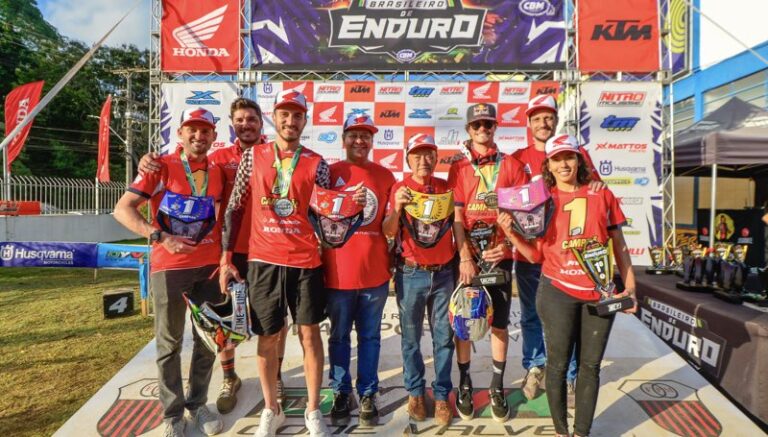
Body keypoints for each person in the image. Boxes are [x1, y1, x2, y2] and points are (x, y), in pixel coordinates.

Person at [138, 98, 291, 414]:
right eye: (240, 120)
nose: (246, 124)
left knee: (275, 317)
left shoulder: (277, 154)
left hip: (269, 249)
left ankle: (275, 376)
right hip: (228, 251)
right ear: (232, 125)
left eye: (252, 119)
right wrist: (148, 160)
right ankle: (229, 377)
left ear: (261, 123)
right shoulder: (217, 160)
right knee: (222, 319)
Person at [221, 90, 353, 436]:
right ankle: (271, 408)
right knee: (268, 337)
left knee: (310, 334)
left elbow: (325, 217)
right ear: (275, 117)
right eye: (284, 114)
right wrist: (225, 257)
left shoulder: (316, 163)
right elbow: (234, 207)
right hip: (263, 259)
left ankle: (312, 410)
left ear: (305, 120)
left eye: (297, 115)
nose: (290, 121)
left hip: (305, 260)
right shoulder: (253, 156)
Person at [499, 134, 637, 437]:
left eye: (569, 157)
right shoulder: (542, 202)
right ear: (548, 164)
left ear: (579, 160)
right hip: (557, 292)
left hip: (599, 294)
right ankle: (562, 431)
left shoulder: (602, 193)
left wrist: (629, 288)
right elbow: (534, 255)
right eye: (557, 159)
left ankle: (581, 432)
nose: (564, 164)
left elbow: (620, 245)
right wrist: (511, 234)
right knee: (558, 366)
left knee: (590, 367)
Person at [114, 107, 225, 437]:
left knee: (207, 339)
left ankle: (198, 403)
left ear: (214, 136)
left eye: (205, 130)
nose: (199, 135)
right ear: (180, 133)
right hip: (169, 267)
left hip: (208, 267)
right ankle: (172, 414)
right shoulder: (159, 166)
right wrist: (159, 236)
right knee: (169, 344)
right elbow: (122, 209)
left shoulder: (218, 170)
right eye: (192, 129)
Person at [511, 95, 604, 405]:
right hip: (533, 252)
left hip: (568, 255)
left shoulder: (577, 153)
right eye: (537, 118)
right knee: (530, 315)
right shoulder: (518, 158)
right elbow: (510, 200)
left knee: (570, 318)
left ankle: (570, 375)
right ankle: (535, 367)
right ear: (528, 122)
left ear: (555, 120)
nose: (543, 123)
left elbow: (596, 188)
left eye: (548, 117)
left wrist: (598, 186)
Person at [448, 103, 529, 422]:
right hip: (469, 259)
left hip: (499, 258)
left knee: (499, 324)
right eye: (476, 125)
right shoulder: (459, 166)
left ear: (495, 127)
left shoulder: (511, 165)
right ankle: (465, 383)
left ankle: (496, 385)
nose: (482, 129)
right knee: (465, 322)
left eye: (488, 124)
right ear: (468, 130)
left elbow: (523, 215)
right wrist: (465, 256)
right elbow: (456, 216)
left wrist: (507, 244)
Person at [323, 114, 395, 427]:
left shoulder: (385, 175)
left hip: (374, 274)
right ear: (343, 140)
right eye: (353, 135)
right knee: (338, 337)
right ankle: (341, 392)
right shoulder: (330, 173)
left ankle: (367, 392)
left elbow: (390, 226)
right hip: (337, 274)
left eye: (366, 136)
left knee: (370, 337)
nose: (360, 141)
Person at [382, 133, 456, 426]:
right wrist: (396, 208)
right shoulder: (399, 188)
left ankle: (442, 395)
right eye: (417, 155)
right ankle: (415, 392)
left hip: (444, 273)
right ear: (408, 159)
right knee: (411, 339)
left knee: (444, 339)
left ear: (436, 158)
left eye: (428, 154)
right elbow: (388, 231)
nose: (423, 160)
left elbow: (458, 225)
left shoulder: (445, 187)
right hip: (411, 272)